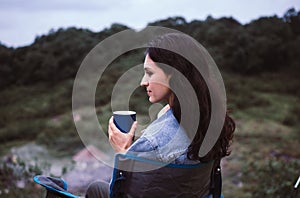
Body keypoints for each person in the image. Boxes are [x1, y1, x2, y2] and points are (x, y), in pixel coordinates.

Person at [85, 32, 235, 198]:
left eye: (149, 73)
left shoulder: (152, 142)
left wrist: (124, 152)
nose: (143, 82)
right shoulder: (212, 121)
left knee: (95, 188)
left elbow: (123, 194)